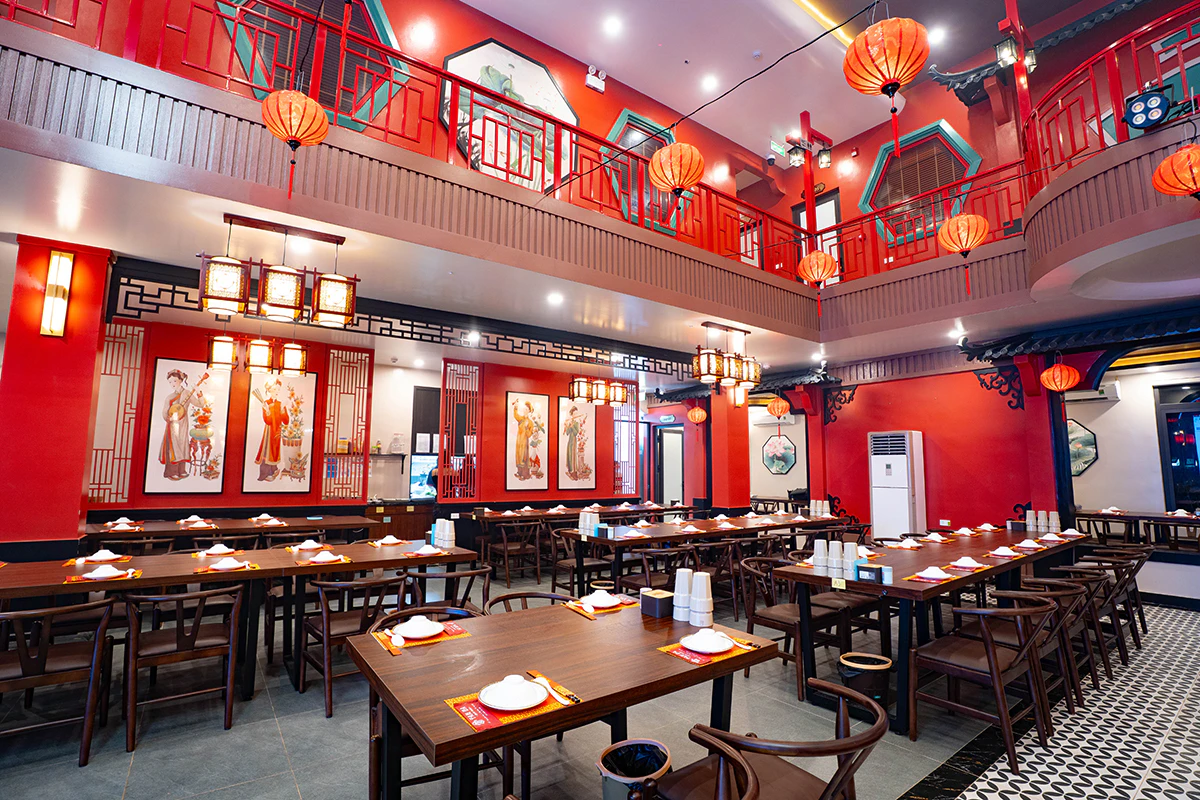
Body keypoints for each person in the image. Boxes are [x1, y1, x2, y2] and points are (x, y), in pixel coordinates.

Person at [159, 369, 201, 480]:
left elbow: (200, 404)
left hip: (183, 424)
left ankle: (181, 470)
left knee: (183, 445)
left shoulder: (187, 393)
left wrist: (198, 392)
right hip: (173, 425)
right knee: (174, 447)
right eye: (170, 382)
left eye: (175, 381)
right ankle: (172, 471)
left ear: (181, 380)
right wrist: (168, 417)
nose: (172, 384)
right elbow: (164, 412)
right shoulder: (169, 397)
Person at [254, 379, 289, 481]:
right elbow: (268, 421)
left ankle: (273, 471)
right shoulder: (266, 403)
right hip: (269, 431)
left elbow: (286, 421)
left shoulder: (280, 404)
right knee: (267, 451)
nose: (276, 391)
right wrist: (267, 410)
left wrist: (282, 409)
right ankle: (265, 473)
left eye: (278, 389)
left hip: (277, 431)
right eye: (274, 389)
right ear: (269, 390)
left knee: (274, 452)